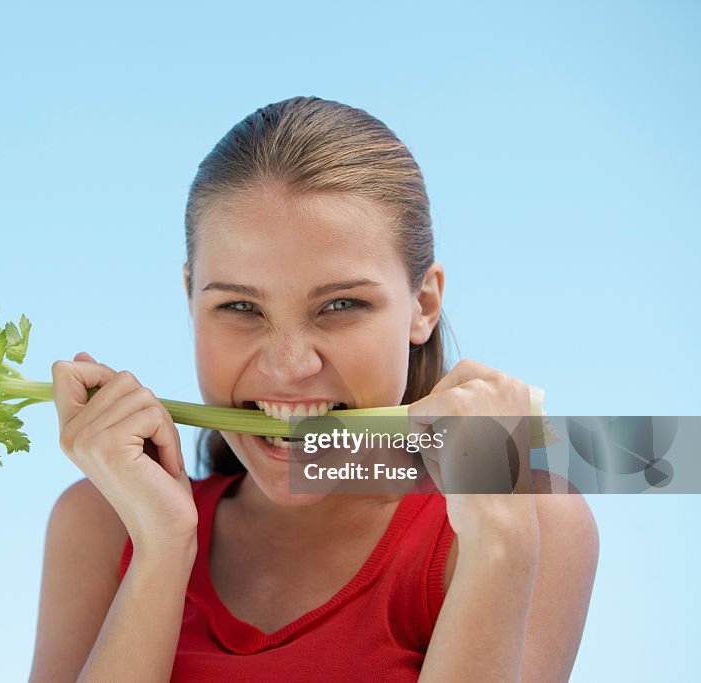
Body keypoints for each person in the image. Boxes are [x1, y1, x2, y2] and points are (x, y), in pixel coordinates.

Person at [29, 96, 599, 682]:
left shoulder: (525, 518)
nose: (289, 367)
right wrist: (163, 549)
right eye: (240, 306)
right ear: (190, 299)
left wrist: (499, 543)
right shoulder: (101, 526)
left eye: (341, 304)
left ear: (422, 305)